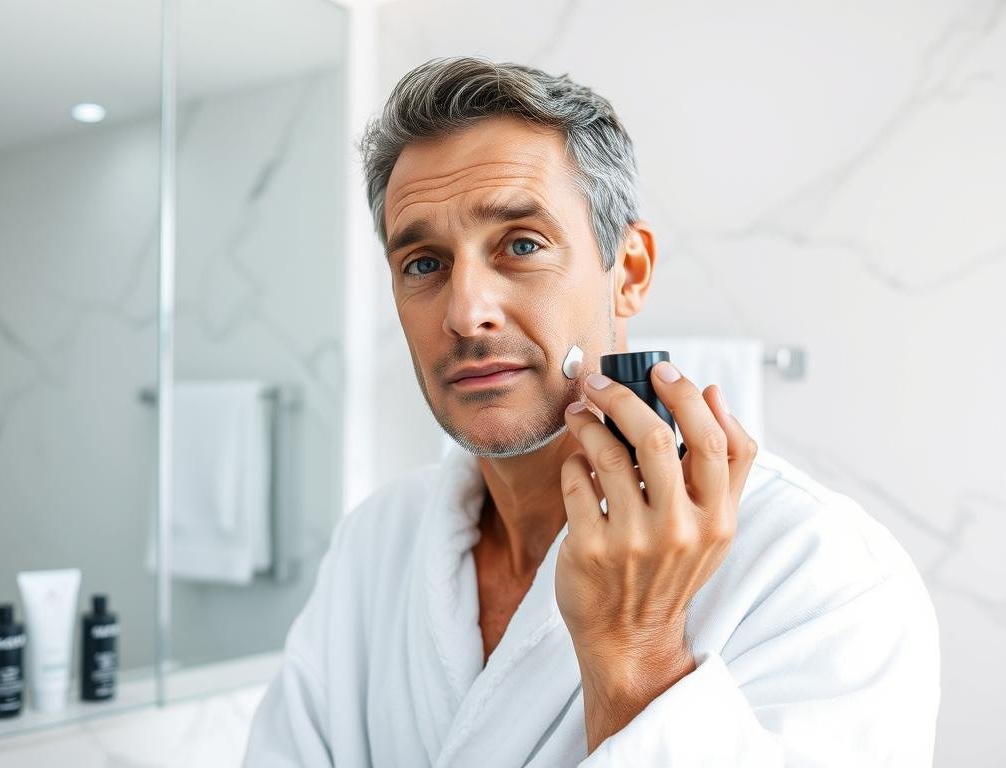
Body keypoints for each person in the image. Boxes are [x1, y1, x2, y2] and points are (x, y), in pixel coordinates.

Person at [242, 56, 939, 767]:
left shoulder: (823, 574)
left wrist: (635, 652)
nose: (465, 313)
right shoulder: (374, 544)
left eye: (521, 245)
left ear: (628, 272)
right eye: (424, 263)